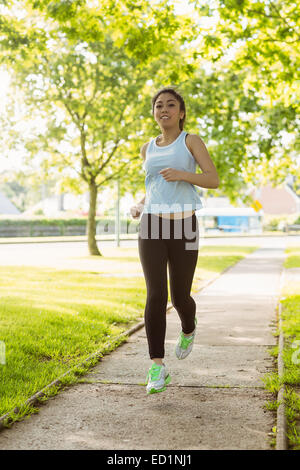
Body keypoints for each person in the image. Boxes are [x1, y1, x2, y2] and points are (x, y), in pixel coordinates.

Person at [130, 87, 219, 395]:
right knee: (156, 294)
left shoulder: (190, 141)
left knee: (180, 297)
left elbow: (212, 179)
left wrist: (183, 174)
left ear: (181, 112)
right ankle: (157, 367)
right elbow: (153, 184)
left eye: (170, 105)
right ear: (154, 113)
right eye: (158, 105)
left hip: (184, 227)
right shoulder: (147, 148)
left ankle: (188, 328)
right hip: (152, 224)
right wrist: (140, 204)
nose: (163, 109)